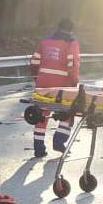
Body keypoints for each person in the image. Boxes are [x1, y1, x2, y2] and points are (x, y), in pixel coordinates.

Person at [28, 18, 80, 158]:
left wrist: (37, 79)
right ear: (71, 29)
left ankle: (39, 149)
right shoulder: (71, 43)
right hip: (62, 85)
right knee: (68, 113)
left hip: (43, 83)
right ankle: (59, 141)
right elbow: (73, 65)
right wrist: (74, 83)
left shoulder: (44, 42)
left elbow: (33, 63)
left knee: (41, 115)